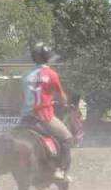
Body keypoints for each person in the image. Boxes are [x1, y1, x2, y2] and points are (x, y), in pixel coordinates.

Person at [21, 42, 73, 181]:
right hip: (44, 116)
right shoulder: (52, 74)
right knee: (67, 138)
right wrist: (65, 104)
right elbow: (62, 97)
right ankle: (60, 170)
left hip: (26, 117)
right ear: (48, 57)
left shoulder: (25, 75)